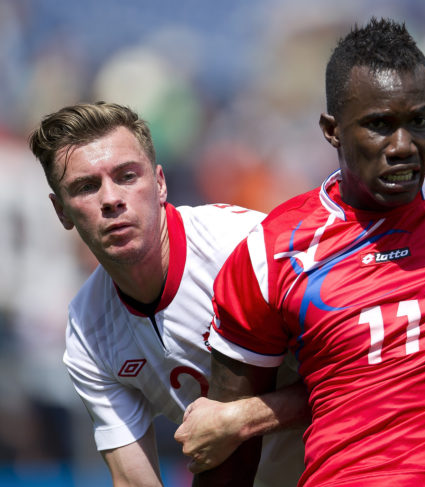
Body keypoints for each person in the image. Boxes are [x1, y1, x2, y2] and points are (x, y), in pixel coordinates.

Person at [179, 18, 425, 486]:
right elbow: (228, 441)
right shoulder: (272, 253)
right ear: (332, 130)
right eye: (380, 126)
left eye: (418, 121)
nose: (403, 146)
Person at [27, 101, 309, 487]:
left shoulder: (246, 247)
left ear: (159, 183)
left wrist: (240, 419)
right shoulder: (87, 331)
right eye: (87, 187)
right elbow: (132, 479)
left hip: (353, 466)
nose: (111, 199)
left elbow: (366, 374)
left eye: (127, 176)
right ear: (61, 212)